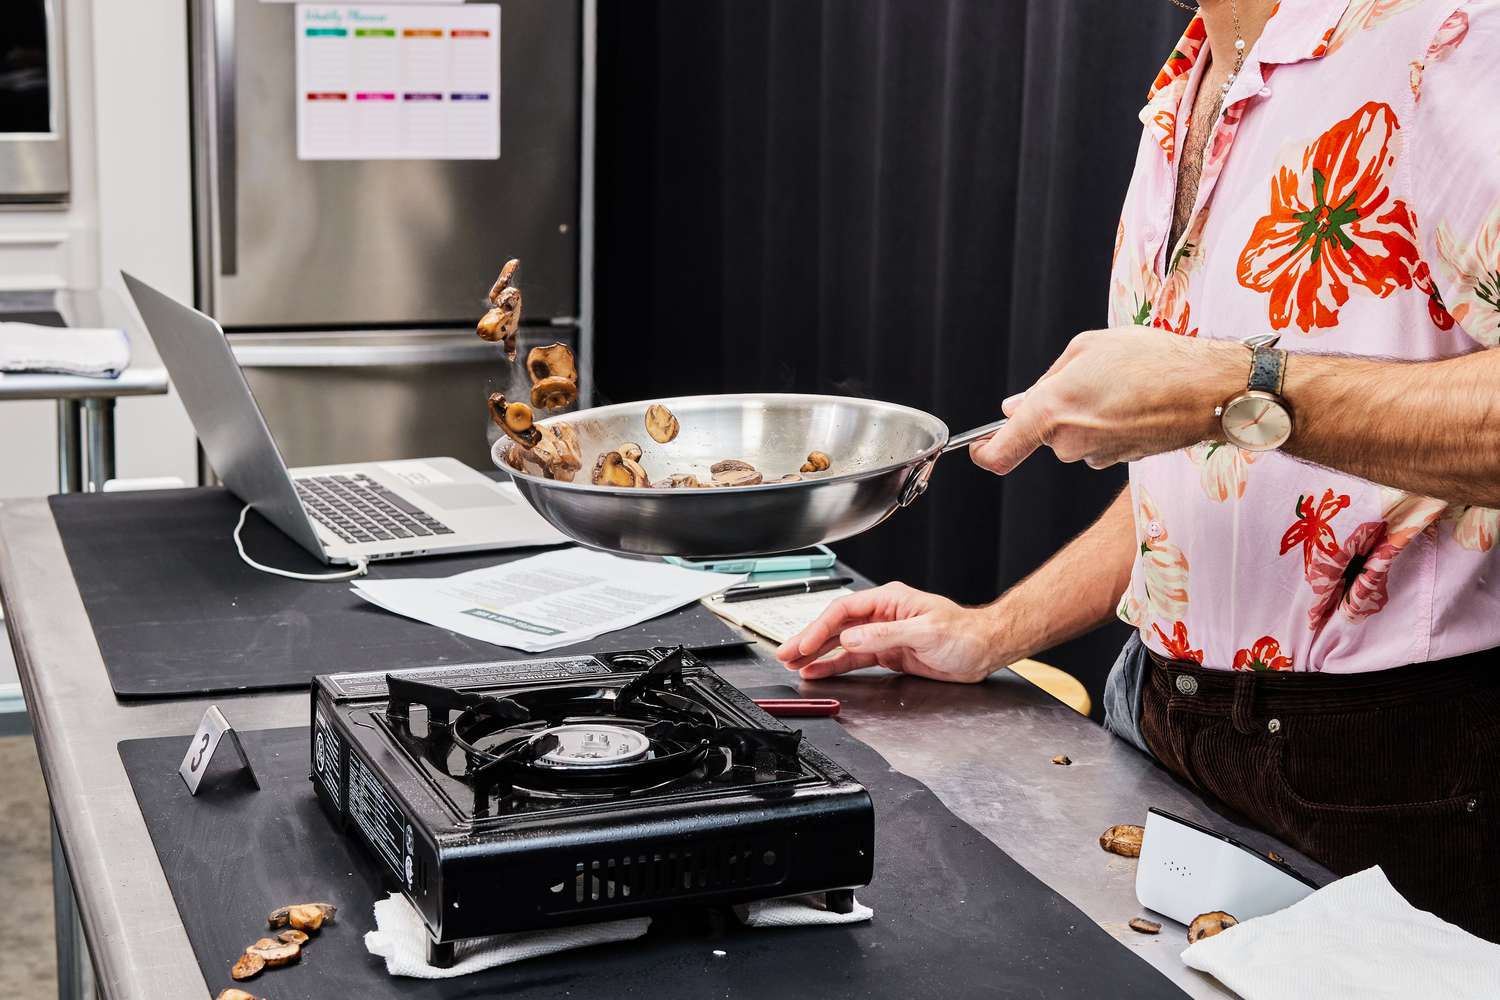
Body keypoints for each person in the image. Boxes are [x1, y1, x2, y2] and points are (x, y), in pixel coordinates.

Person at [778, 0, 1500, 939]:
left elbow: (1229, 404)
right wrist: (993, 633)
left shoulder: (1450, 34)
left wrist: (1230, 384)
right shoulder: (1189, 87)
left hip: (1400, 762)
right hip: (1159, 719)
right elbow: (1209, 477)